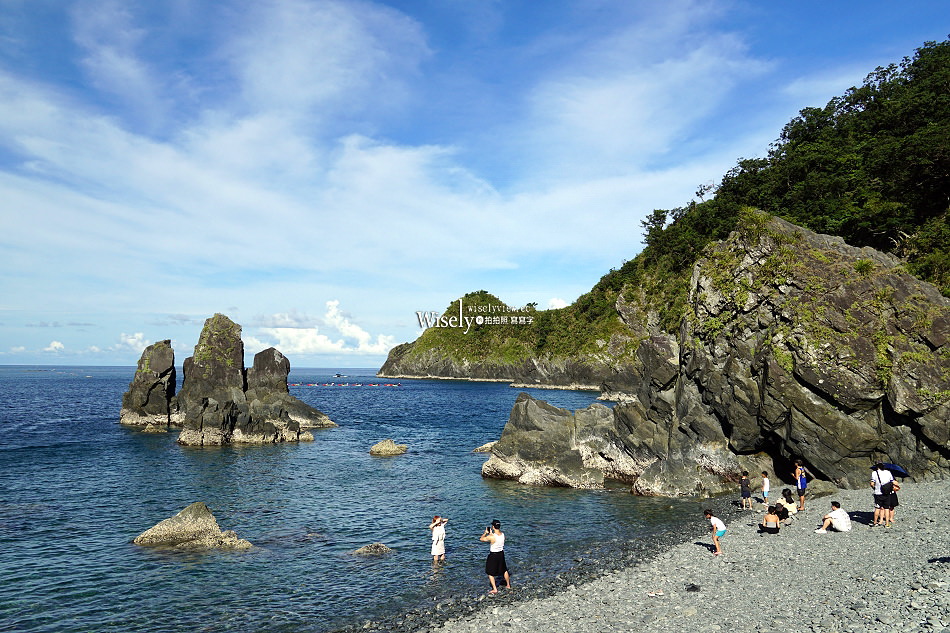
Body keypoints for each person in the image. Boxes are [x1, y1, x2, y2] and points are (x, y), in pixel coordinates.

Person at [480, 519, 511, 594]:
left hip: (493, 555)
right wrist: (491, 534)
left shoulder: (492, 537)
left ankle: (495, 589)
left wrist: (485, 533)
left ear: (493, 527)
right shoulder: (503, 535)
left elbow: (481, 539)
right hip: (501, 554)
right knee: (504, 570)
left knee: (490, 572)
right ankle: (508, 585)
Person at [870, 463, 897, 527]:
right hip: (887, 493)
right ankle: (887, 523)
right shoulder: (888, 472)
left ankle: (875, 522)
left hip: (878, 493)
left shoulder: (874, 473)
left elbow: (872, 483)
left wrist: (874, 488)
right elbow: (892, 481)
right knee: (886, 508)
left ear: (877, 467)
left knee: (877, 508)